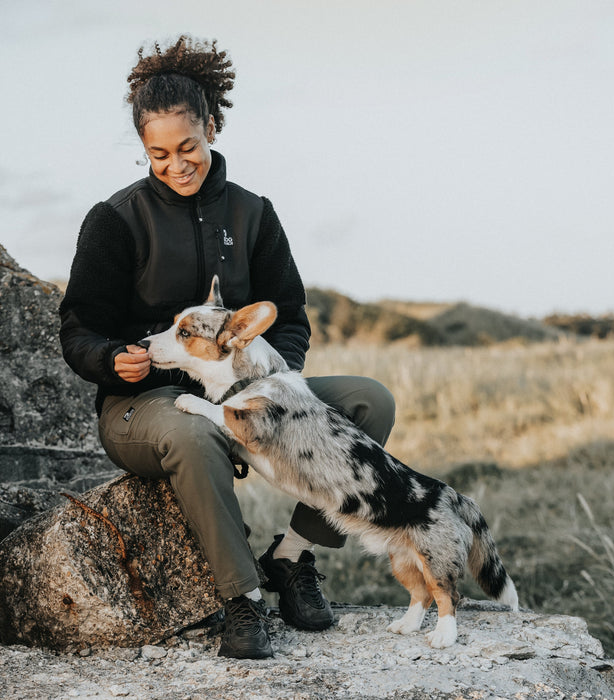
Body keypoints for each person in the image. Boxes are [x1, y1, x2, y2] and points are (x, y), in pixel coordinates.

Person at [59, 35, 395, 660]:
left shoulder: (254, 214)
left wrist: (275, 380)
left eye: (187, 147)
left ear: (212, 126)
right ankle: (241, 599)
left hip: (249, 388)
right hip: (143, 406)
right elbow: (78, 328)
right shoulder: (114, 220)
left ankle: (292, 558)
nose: (175, 165)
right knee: (197, 432)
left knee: (368, 403)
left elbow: (290, 317)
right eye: (156, 155)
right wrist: (110, 359)